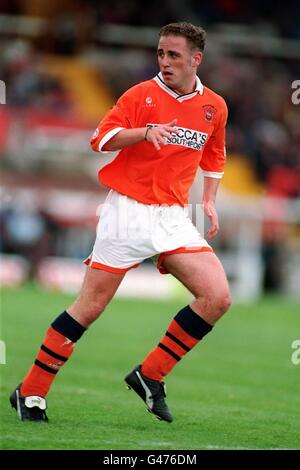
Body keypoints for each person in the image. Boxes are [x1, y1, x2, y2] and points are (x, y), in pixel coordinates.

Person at [10, 22, 231, 423]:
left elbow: (215, 153)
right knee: (90, 307)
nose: (164, 61)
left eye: (174, 55)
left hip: (171, 217)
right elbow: (100, 139)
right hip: (127, 213)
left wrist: (210, 200)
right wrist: (145, 132)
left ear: (196, 59)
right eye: (161, 53)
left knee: (217, 297)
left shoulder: (214, 106)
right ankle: (32, 392)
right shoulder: (140, 95)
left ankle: (150, 375)